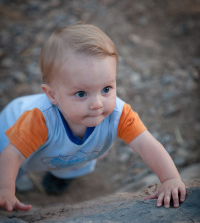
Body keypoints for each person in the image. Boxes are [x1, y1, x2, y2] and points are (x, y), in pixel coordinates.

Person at [0, 23, 186, 212]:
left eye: (106, 89)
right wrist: (6, 189)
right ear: (52, 95)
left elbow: (146, 143)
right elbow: (13, 154)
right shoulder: (39, 120)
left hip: (69, 155)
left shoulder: (118, 114)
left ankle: (59, 178)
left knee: (70, 165)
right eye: (81, 94)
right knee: (14, 168)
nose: (97, 103)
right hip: (14, 136)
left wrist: (170, 178)